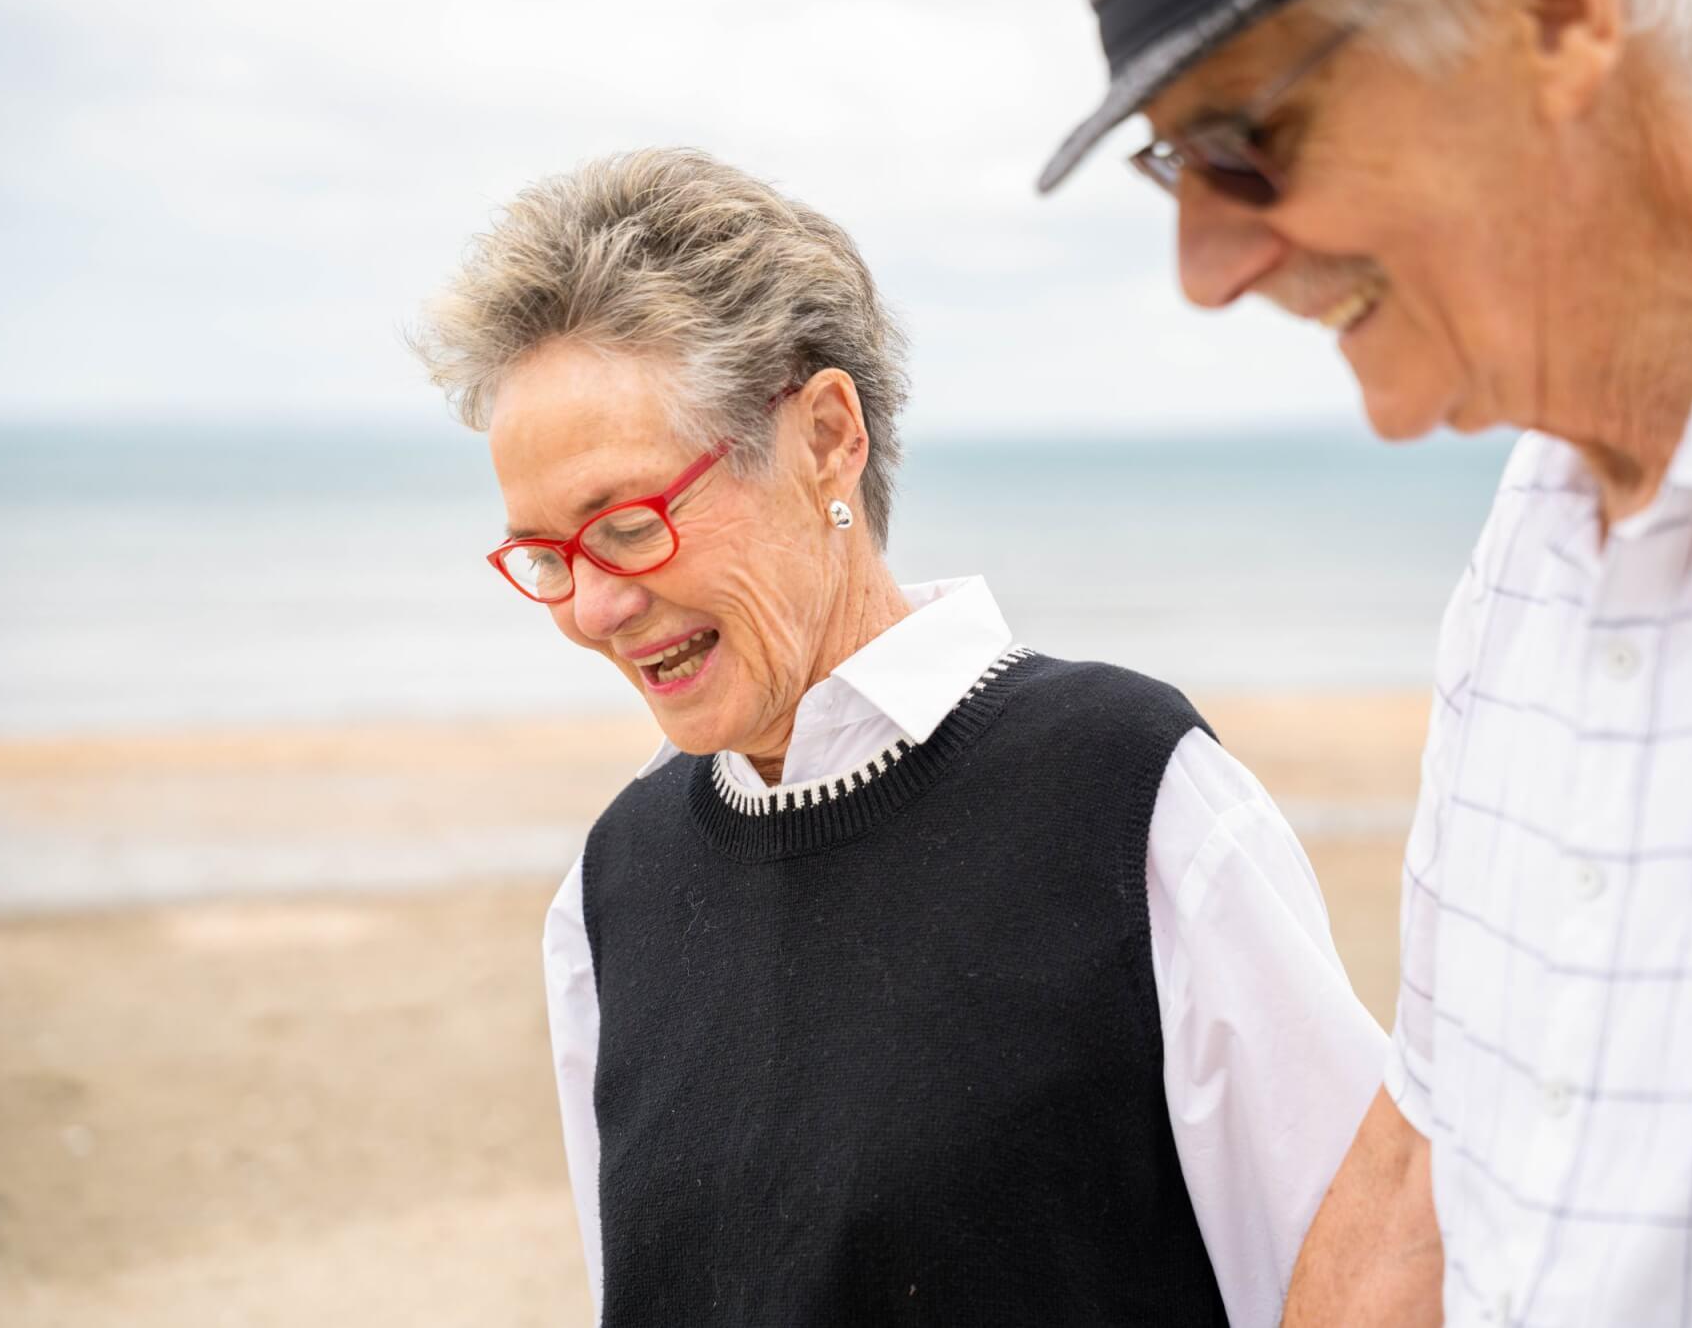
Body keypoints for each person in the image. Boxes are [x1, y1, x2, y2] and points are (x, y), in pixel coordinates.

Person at [1040, 0, 1692, 1323]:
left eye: (1245, 143)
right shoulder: (1533, 526)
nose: (1206, 269)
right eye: (1174, 163)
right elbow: (1430, 1159)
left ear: (1554, 13)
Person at [412, 149, 1384, 1326]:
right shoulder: (610, 891)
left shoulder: (1129, 797)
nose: (589, 609)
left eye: (625, 524)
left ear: (826, 434)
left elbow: (1372, 1272)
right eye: (547, 556)